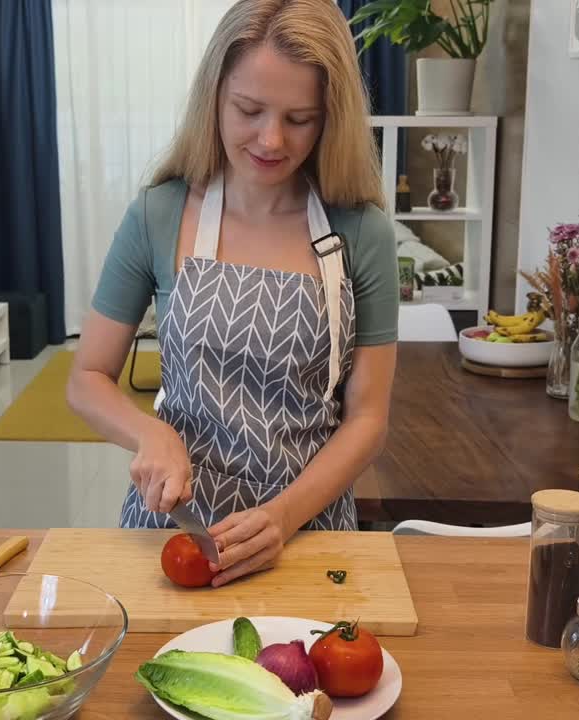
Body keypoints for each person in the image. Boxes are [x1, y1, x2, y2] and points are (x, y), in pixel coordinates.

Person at [67, 0, 398, 588]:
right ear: (214, 95)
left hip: (307, 535)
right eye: (249, 110)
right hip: (173, 536)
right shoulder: (158, 214)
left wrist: (283, 517)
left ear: (331, 118)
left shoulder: (359, 230)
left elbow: (367, 418)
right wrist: (151, 432)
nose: (272, 139)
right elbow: (87, 377)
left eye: (300, 119)